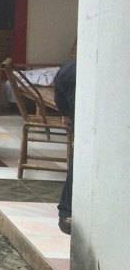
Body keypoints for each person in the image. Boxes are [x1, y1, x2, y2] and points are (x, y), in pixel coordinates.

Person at [54, 60, 76, 234]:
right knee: (79, 162)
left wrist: (66, 115)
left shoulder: (67, 69)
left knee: (78, 161)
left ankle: (67, 212)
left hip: (76, 115)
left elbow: (59, 98)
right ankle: (67, 211)